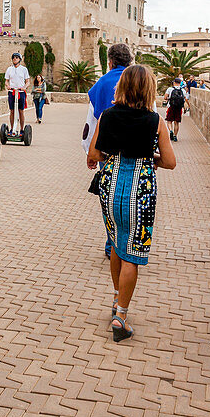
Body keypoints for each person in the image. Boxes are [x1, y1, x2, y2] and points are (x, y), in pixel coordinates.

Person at [88, 64, 177, 342]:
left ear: (122, 86)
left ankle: (116, 298)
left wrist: (111, 156)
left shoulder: (107, 116)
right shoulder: (155, 121)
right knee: (132, 253)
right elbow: (171, 162)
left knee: (116, 242)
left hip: (111, 187)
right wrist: (151, 161)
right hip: (141, 189)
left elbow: (94, 154)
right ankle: (121, 316)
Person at [82, 44, 133, 258]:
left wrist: (90, 152)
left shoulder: (101, 84)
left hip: (108, 152)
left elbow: (91, 123)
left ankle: (111, 243)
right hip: (136, 151)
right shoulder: (138, 81)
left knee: (110, 196)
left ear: (110, 62)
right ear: (130, 62)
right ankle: (128, 243)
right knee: (130, 196)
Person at [4, 52, 29, 134]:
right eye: (13, 57)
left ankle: (22, 129)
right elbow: (6, 81)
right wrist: (8, 86)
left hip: (21, 92)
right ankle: (12, 129)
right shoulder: (9, 69)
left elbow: (27, 81)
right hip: (12, 92)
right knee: (12, 111)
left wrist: (24, 87)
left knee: (21, 111)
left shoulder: (24, 69)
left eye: (16, 57)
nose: (15, 58)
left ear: (20, 59)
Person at [163, 76, 189, 142]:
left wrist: (169, 98)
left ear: (174, 82)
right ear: (180, 83)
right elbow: (185, 98)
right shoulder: (183, 90)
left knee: (169, 121)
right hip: (179, 108)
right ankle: (175, 136)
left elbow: (165, 97)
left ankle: (171, 131)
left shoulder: (170, 89)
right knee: (176, 123)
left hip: (171, 107)